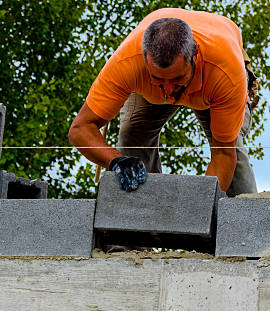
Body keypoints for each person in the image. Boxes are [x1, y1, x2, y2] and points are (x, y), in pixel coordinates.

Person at [69, 8, 259, 196]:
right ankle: (144, 213)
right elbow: (80, 129)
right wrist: (116, 161)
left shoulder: (225, 72)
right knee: (131, 137)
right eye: (158, 80)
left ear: (195, 56)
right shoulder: (127, 63)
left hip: (213, 81)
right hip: (151, 82)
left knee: (232, 154)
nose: (168, 92)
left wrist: (204, 209)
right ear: (144, 61)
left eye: (177, 79)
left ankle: (245, 217)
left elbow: (223, 155)